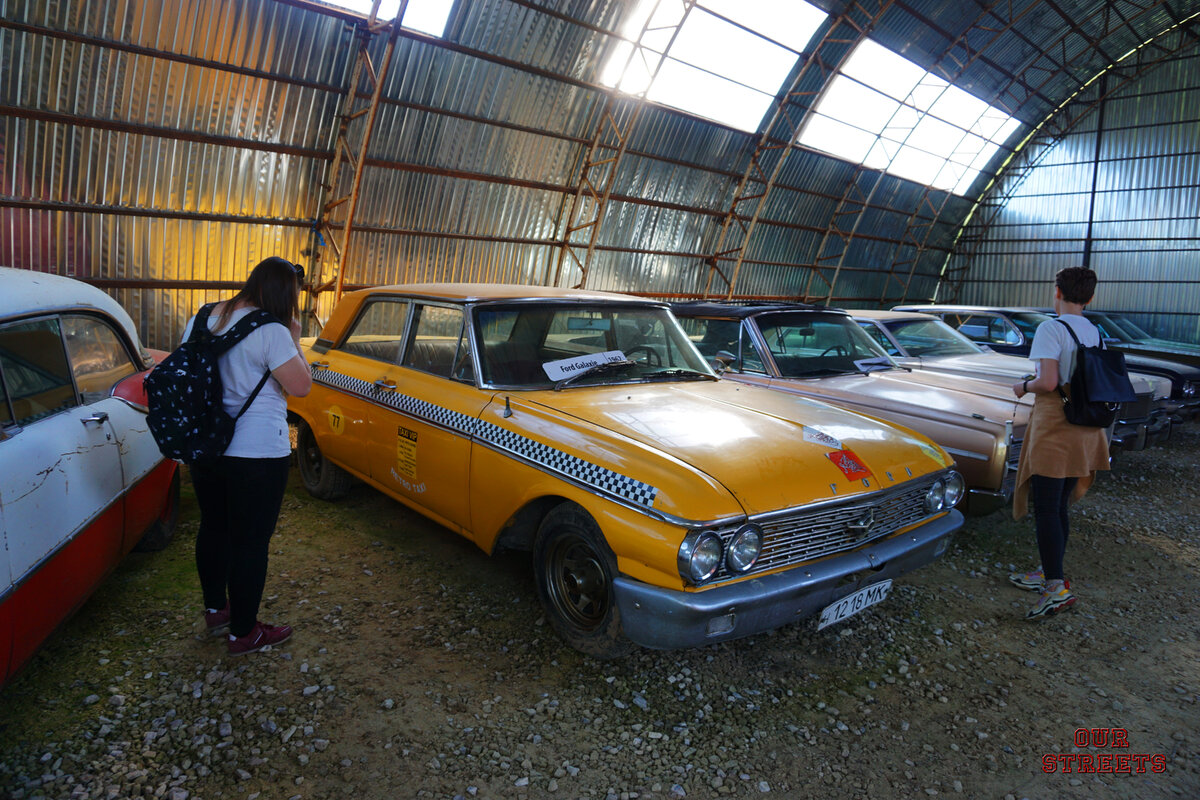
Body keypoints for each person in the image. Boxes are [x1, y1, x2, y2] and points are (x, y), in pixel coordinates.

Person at [182, 256, 313, 655]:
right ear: (284, 294)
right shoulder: (273, 330)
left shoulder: (202, 317)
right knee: (251, 543)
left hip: (206, 446)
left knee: (214, 527)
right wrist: (293, 337)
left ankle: (216, 611)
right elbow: (301, 386)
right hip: (256, 453)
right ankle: (244, 632)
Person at [1009, 266, 1110, 620]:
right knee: (1060, 504)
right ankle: (1050, 572)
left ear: (1057, 292)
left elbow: (1048, 382)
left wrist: (1023, 386)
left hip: (1056, 425)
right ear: (1090, 297)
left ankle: (1055, 586)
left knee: (1047, 507)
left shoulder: (1051, 328)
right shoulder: (1095, 331)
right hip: (1085, 426)